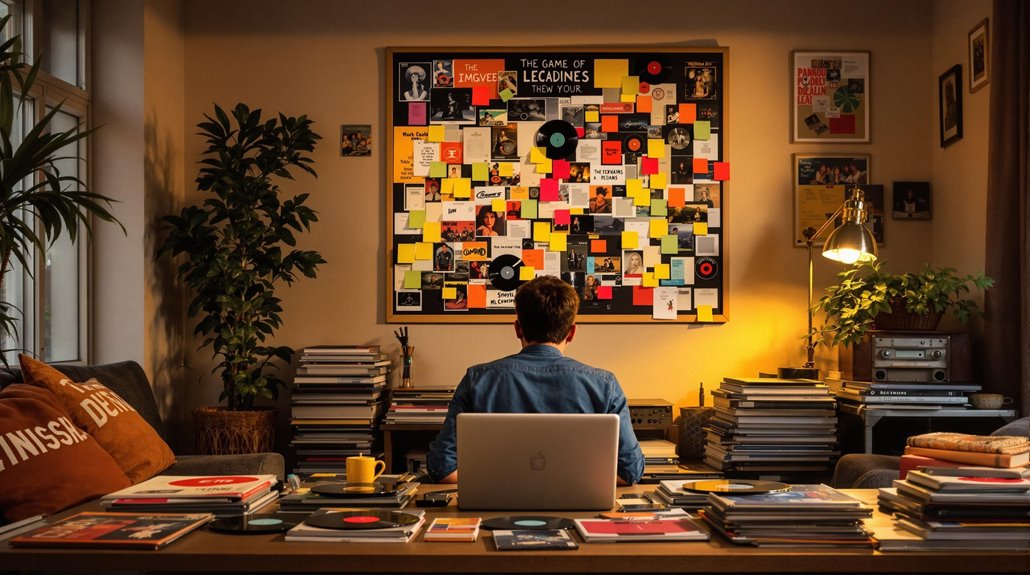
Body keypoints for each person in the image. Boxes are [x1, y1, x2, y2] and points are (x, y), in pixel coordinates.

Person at [425, 276, 644, 485]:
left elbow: (441, 468)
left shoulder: (477, 379)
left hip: (493, 509)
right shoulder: (604, 384)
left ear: (518, 328)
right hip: (578, 511)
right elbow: (629, 472)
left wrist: (500, 485)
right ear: (571, 332)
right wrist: (567, 485)